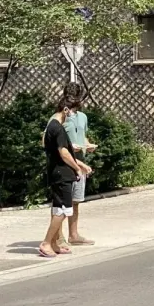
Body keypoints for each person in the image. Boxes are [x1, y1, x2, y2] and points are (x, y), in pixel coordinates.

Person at [39, 93, 92, 258]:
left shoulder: (53, 126)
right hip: (61, 174)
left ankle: (54, 244)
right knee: (63, 210)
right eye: (73, 111)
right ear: (66, 109)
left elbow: (63, 151)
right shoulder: (57, 127)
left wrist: (80, 164)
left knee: (58, 207)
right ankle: (46, 242)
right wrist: (77, 168)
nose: (73, 115)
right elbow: (64, 153)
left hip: (58, 173)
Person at [59, 82, 96, 248]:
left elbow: (83, 136)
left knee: (76, 201)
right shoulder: (61, 116)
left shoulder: (82, 117)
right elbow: (55, 140)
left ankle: (73, 235)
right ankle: (58, 237)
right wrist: (68, 146)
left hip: (81, 162)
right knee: (62, 202)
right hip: (65, 163)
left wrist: (87, 145)